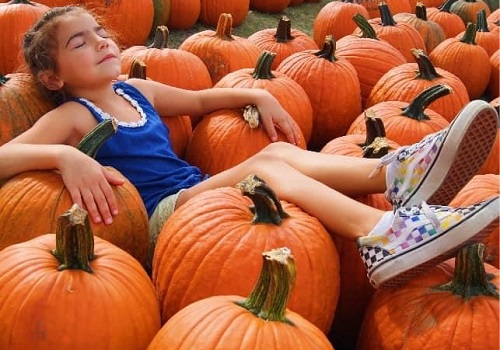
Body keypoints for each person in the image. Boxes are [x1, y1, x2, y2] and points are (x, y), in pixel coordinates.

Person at [0, 6, 498, 288]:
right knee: (268, 167)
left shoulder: (136, 90)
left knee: (276, 157)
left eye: (99, 32)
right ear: (53, 76)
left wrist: (257, 90)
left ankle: (392, 175)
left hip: (194, 194)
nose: (102, 42)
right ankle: (380, 234)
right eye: (79, 44)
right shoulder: (72, 116)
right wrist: (65, 155)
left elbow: (199, 97)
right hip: (160, 220)